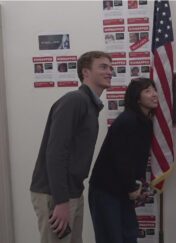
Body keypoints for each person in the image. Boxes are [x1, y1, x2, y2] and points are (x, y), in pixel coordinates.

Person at [30, 51, 112, 243]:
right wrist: (60, 201)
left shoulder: (91, 105)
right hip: (55, 194)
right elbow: (56, 152)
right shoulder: (75, 100)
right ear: (86, 72)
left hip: (72, 192)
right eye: (103, 67)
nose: (110, 71)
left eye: (110, 67)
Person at [88, 78, 159, 243]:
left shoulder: (145, 122)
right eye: (148, 91)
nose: (154, 94)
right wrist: (131, 186)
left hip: (123, 190)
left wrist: (139, 184)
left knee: (128, 236)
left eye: (154, 90)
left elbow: (138, 159)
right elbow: (122, 159)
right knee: (111, 238)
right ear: (137, 97)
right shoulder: (128, 121)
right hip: (106, 190)